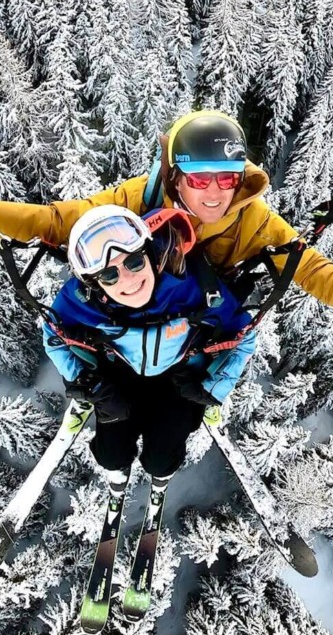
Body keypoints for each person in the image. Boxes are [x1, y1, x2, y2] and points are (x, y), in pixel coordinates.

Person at [0, 109, 333, 340]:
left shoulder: (256, 222)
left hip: (195, 319)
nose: (213, 191)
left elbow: (313, 270)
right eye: (199, 176)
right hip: (134, 307)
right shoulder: (139, 196)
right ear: (175, 174)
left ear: (241, 176)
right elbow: (54, 223)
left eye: (226, 177)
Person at [42, 203, 257, 502]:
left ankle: (161, 475)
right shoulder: (81, 302)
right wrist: (89, 384)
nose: (128, 280)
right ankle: (117, 473)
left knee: (162, 456)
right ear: (94, 284)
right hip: (120, 378)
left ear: (150, 254)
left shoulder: (196, 289)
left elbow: (245, 335)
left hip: (180, 380)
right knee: (110, 455)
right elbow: (52, 334)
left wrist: (210, 387)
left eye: (133, 262)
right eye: (109, 275)